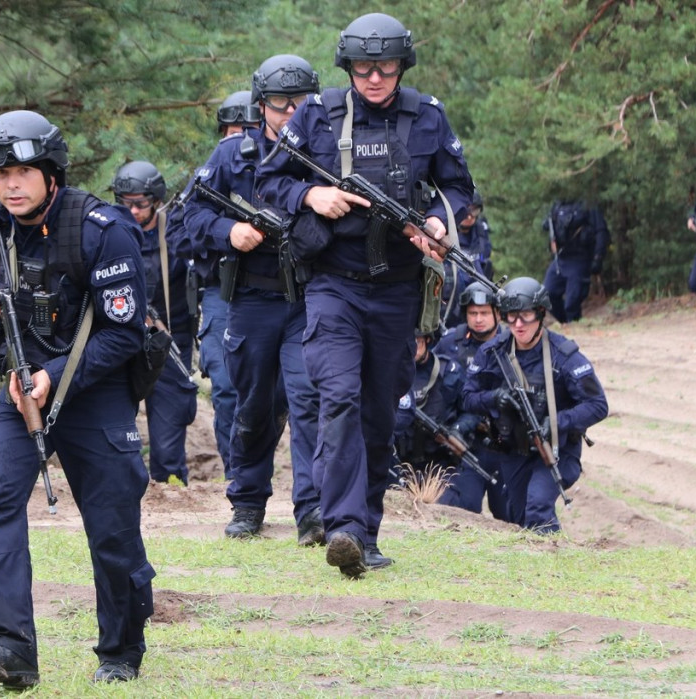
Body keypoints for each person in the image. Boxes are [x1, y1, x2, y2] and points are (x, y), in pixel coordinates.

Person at [0, 110, 154, 686]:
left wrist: (53, 374)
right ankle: (9, 648)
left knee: (112, 526)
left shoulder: (102, 229)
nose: (11, 184)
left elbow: (124, 335)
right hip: (19, 389)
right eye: (1, 173)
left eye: (24, 170)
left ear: (51, 173)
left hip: (92, 392)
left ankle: (121, 650)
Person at [256, 12, 474, 578]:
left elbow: (458, 188)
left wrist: (435, 221)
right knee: (340, 399)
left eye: (385, 67)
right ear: (347, 66)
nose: (374, 78)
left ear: (402, 66)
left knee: (379, 412)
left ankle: (366, 532)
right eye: (362, 67)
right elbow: (270, 182)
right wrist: (312, 196)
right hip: (333, 285)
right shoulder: (318, 116)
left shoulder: (427, 118)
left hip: (398, 289)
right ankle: (344, 527)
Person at [182, 54, 323, 546]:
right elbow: (187, 219)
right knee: (254, 403)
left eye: (299, 104)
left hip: (310, 299)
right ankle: (247, 501)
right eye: (280, 105)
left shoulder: (325, 151)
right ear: (261, 107)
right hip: (254, 299)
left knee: (308, 399)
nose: (289, 114)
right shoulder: (231, 157)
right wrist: (229, 230)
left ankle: (313, 511)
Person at [462, 277, 608, 533]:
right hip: (513, 449)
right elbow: (468, 398)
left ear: (541, 314)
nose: (518, 324)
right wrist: (494, 397)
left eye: (526, 316)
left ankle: (554, 564)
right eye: (511, 316)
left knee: (538, 506)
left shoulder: (563, 355)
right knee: (518, 518)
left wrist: (555, 422)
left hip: (556, 450)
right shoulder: (493, 352)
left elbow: (597, 405)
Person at [164, 90, 258, 479]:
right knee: (226, 386)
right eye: (233, 131)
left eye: (248, 130)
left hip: (279, 291)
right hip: (223, 291)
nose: (240, 139)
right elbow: (177, 232)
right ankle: (239, 479)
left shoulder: (283, 169)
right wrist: (225, 235)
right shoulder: (210, 176)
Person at [111, 161, 198, 483]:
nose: (131, 210)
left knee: (169, 427)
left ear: (156, 200)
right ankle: (122, 484)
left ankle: (169, 486)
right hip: (120, 341)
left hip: (168, 341)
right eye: (125, 202)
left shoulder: (174, 232)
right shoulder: (109, 233)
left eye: (140, 203)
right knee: (114, 424)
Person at [434, 282, 509, 520]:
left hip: (503, 443)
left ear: (497, 314)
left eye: (485, 313)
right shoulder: (449, 343)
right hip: (461, 445)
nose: (478, 319)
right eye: (472, 313)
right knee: (460, 511)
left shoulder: (512, 343)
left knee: (511, 513)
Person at [392, 329, 463, 492]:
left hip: (438, 463)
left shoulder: (448, 371)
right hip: (400, 458)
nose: (412, 347)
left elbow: (468, 409)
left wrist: (457, 430)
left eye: (418, 342)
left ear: (428, 340)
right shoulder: (391, 371)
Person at [542, 199, 610, 323]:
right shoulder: (557, 206)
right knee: (547, 294)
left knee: (572, 302)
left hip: (580, 259)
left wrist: (598, 257)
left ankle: (573, 324)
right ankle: (566, 323)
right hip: (560, 259)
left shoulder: (588, 205)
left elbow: (601, 232)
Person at [439, 189, 492, 329]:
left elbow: (484, 260)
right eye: (467, 211)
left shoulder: (481, 232)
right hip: (447, 296)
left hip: (474, 295)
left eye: (475, 211)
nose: (470, 216)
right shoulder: (442, 229)